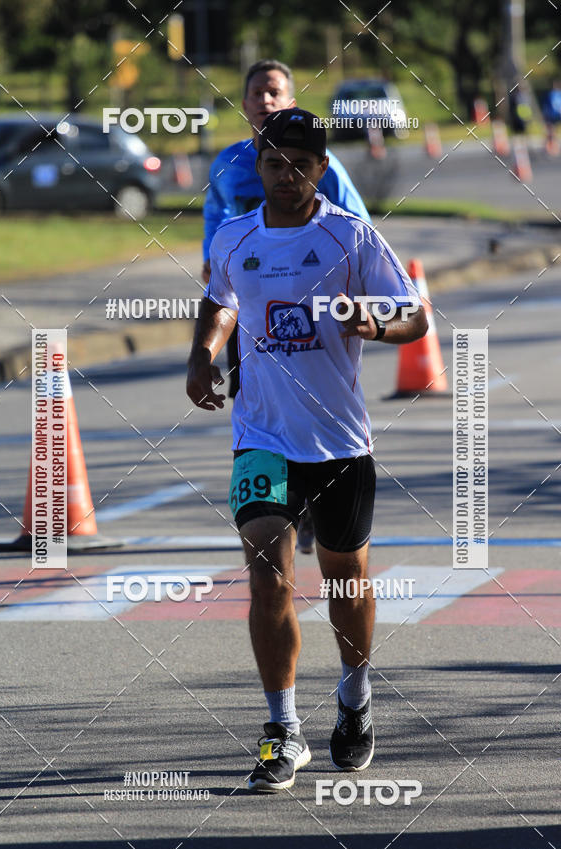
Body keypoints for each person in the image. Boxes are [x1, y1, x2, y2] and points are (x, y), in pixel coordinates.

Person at [187, 107, 427, 792]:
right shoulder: (235, 237)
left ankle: (354, 699)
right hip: (261, 435)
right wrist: (203, 353)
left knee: (346, 581)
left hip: (339, 442)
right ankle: (282, 730)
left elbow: (413, 315)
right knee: (268, 573)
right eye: (273, 163)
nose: (285, 175)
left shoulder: (350, 237)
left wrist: (375, 323)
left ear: (321, 169)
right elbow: (219, 299)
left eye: (299, 164)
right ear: (257, 168)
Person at [202, 59, 372, 554]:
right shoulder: (228, 165)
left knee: (311, 396)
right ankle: (277, 504)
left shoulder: (326, 164)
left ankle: (318, 496)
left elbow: (356, 228)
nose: (265, 100)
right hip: (250, 305)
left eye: (274, 91)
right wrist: (204, 340)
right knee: (254, 394)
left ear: (291, 100)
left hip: (319, 313)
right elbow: (216, 228)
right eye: (256, 92)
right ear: (245, 103)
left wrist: (366, 311)